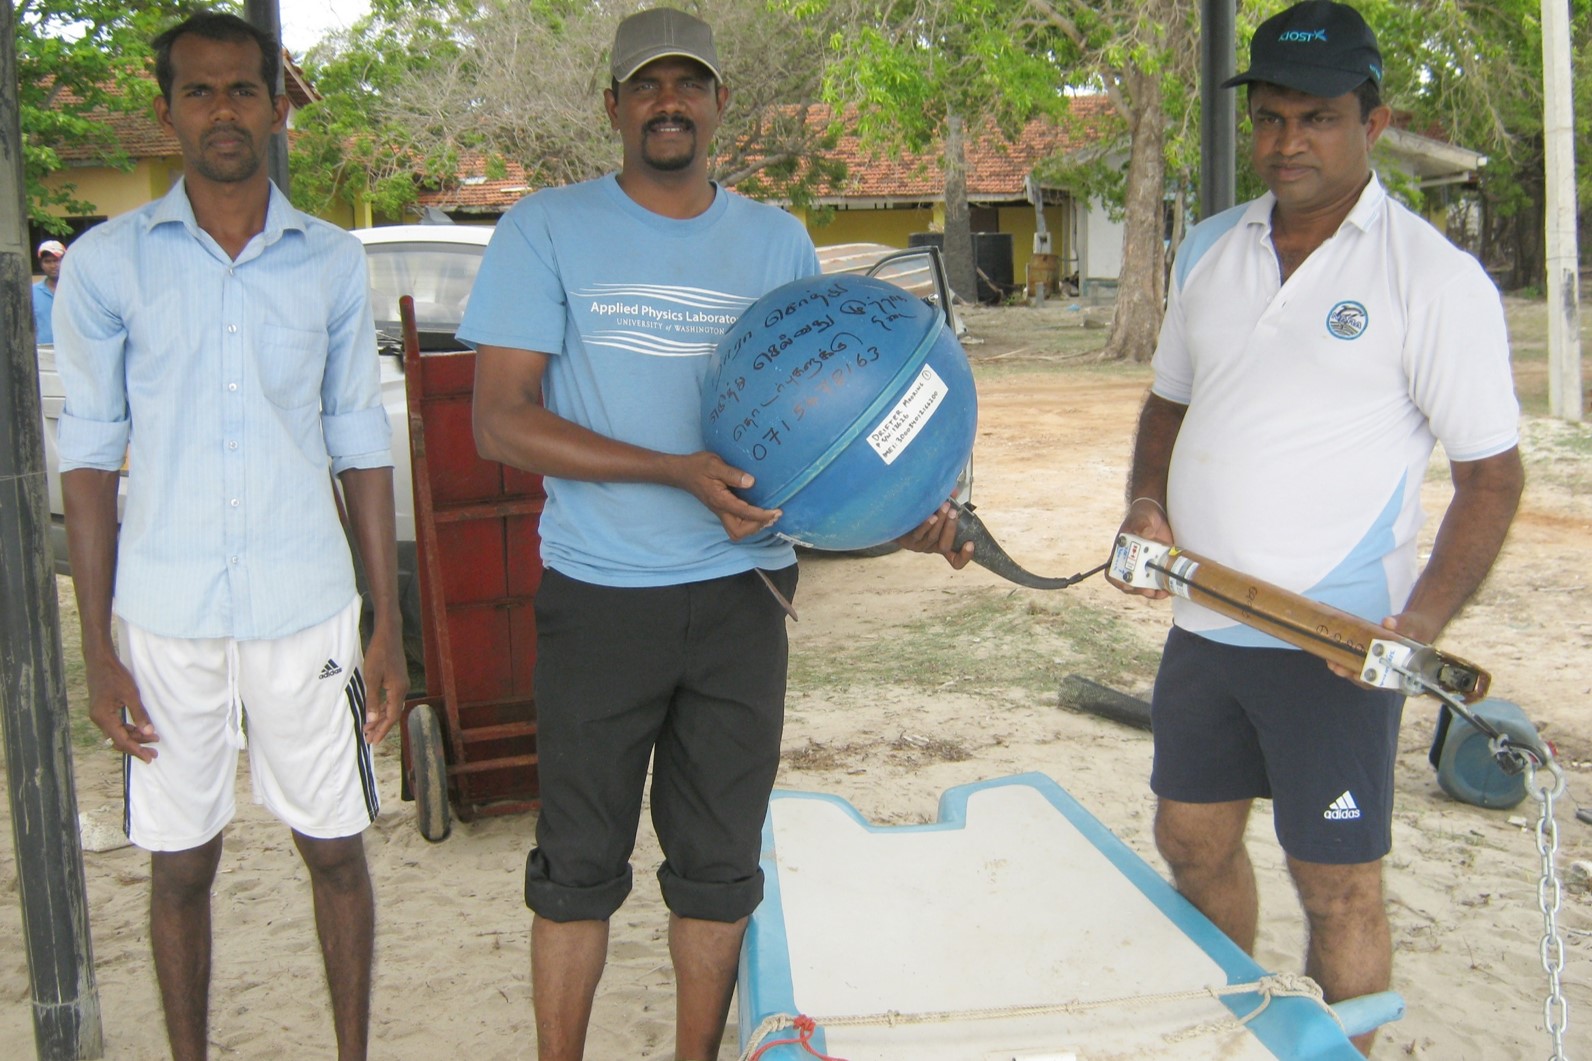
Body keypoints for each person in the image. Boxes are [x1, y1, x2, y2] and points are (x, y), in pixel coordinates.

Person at [1109, 2, 1522, 1054]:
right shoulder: (1210, 244)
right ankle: (1233, 1028)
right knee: (1189, 839)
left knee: (1335, 883)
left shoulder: (1429, 278)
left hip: (1332, 642)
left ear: (1372, 124)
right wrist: (1143, 501)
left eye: (1319, 119)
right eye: (1271, 118)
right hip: (1205, 623)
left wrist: (1413, 621)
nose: (1287, 141)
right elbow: (1167, 402)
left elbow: (1490, 477)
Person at [461, 9, 822, 1059]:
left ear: (718, 105)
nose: (670, 102)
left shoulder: (775, 239)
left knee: (717, 865)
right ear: (612, 107)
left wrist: (900, 501)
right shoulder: (545, 229)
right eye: (647, 86)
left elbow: (819, 409)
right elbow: (500, 417)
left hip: (741, 597)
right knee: (575, 865)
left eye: (689, 84)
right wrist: (671, 470)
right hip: (601, 593)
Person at [52, 12, 406, 1061]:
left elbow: (359, 446)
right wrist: (97, 644)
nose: (221, 110)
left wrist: (382, 621)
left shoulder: (331, 263)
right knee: (179, 864)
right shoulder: (109, 265)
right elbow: (87, 460)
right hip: (164, 614)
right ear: (167, 112)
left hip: (308, 605)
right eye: (199, 92)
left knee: (336, 849)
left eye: (242, 90)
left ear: (274, 107)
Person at [32, 238, 65, 344]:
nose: (53, 266)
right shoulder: (31, 293)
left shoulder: (78, 291)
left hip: (73, 352)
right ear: (41, 264)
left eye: (56, 260)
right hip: (42, 352)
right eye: (47, 261)